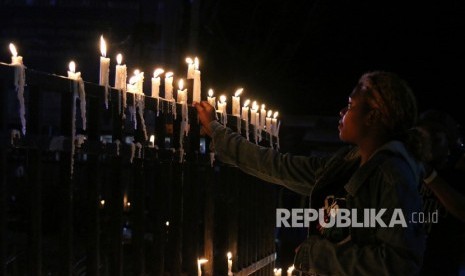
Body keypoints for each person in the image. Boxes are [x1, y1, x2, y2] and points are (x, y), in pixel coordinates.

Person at [194, 71, 428, 275]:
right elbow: (278, 166)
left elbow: (399, 265)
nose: (341, 112)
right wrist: (218, 132)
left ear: (373, 116)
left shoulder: (393, 176)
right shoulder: (346, 164)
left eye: (350, 105)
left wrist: (317, 255)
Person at [417, 109, 465, 275]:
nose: (428, 144)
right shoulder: (410, 169)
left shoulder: (457, 175)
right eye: (422, 137)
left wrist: (430, 176)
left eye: (436, 138)